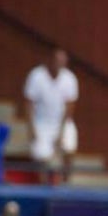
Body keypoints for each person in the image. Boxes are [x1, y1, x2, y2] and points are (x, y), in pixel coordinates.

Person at [24, 48, 79, 179]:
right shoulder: (36, 75)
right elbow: (29, 103)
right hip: (41, 122)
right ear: (50, 60)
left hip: (62, 122)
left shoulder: (70, 78)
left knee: (70, 148)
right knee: (41, 156)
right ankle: (45, 189)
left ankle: (66, 181)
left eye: (62, 61)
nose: (59, 64)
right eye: (57, 60)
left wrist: (61, 132)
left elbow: (70, 107)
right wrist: (31, 127)